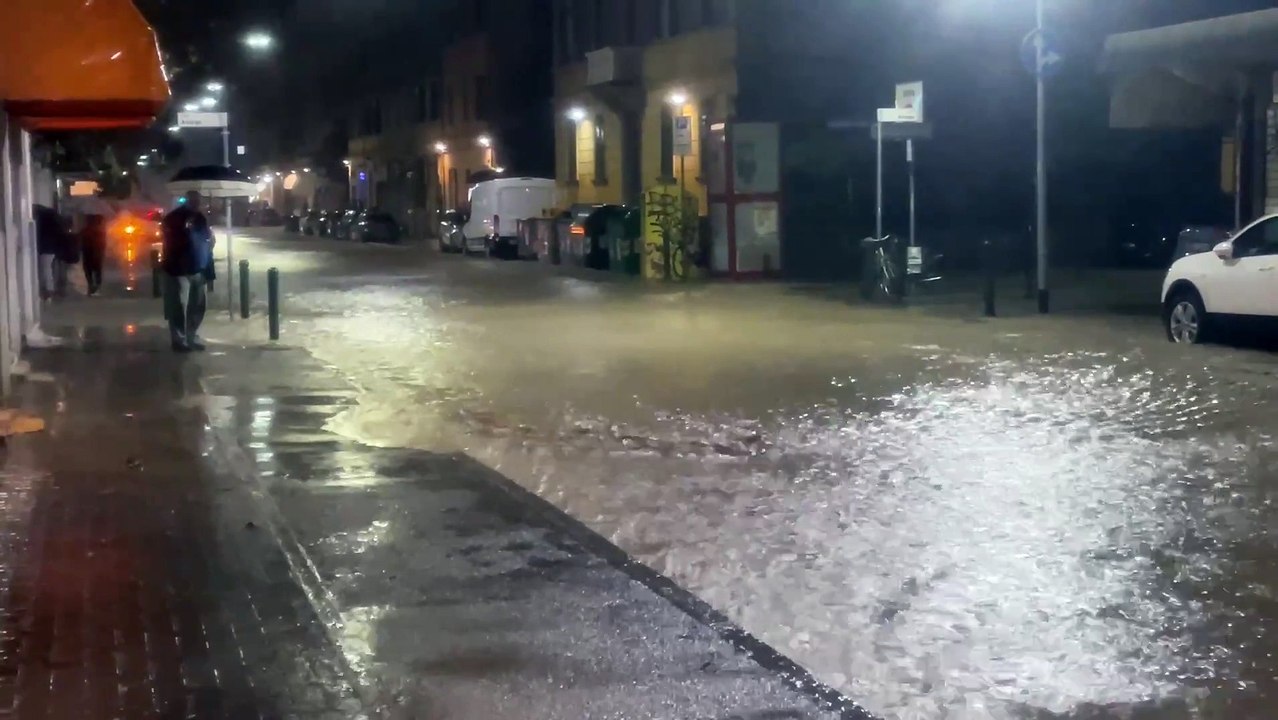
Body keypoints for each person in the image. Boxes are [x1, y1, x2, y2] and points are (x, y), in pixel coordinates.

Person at [161, 190, 212, 352]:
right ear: (187, 201)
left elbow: (206, 240)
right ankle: (179, 339)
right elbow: (171, 242)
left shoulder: (200, 218)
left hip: (197, 267)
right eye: (194, 200)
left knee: (197, 305)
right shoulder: (174, 218)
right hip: (178, 269)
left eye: (199, 201)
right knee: (178, 305)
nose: (198, 204)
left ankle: (191, 336)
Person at [33, 204, 65, 300]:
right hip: (54, 249)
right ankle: (52, 288)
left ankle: (49, 290)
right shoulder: (55, 223)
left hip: (46, 249)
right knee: (51, 268)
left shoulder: (44, 224)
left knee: (46, 269)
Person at [80, 214, 107, 295]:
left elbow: (81, 243)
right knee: (97, 271)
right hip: (97, 255)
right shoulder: (100, 232)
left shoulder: (84, 231)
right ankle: (96, 287)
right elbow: (103, 245)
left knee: (89, 271)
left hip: (87, 254)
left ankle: (91, 285)